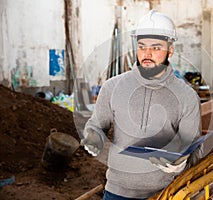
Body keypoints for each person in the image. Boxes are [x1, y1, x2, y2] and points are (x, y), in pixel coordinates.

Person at [81, 10, 202, 200]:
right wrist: (93, 136)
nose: (147, 54)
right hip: (116, 192)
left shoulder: (187, 97)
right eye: (142, 46)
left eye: (156, 48)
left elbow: (194, 149)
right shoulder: (112, 87)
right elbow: (96, 125)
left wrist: (181, 162)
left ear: (170, 50)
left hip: (166, 193)